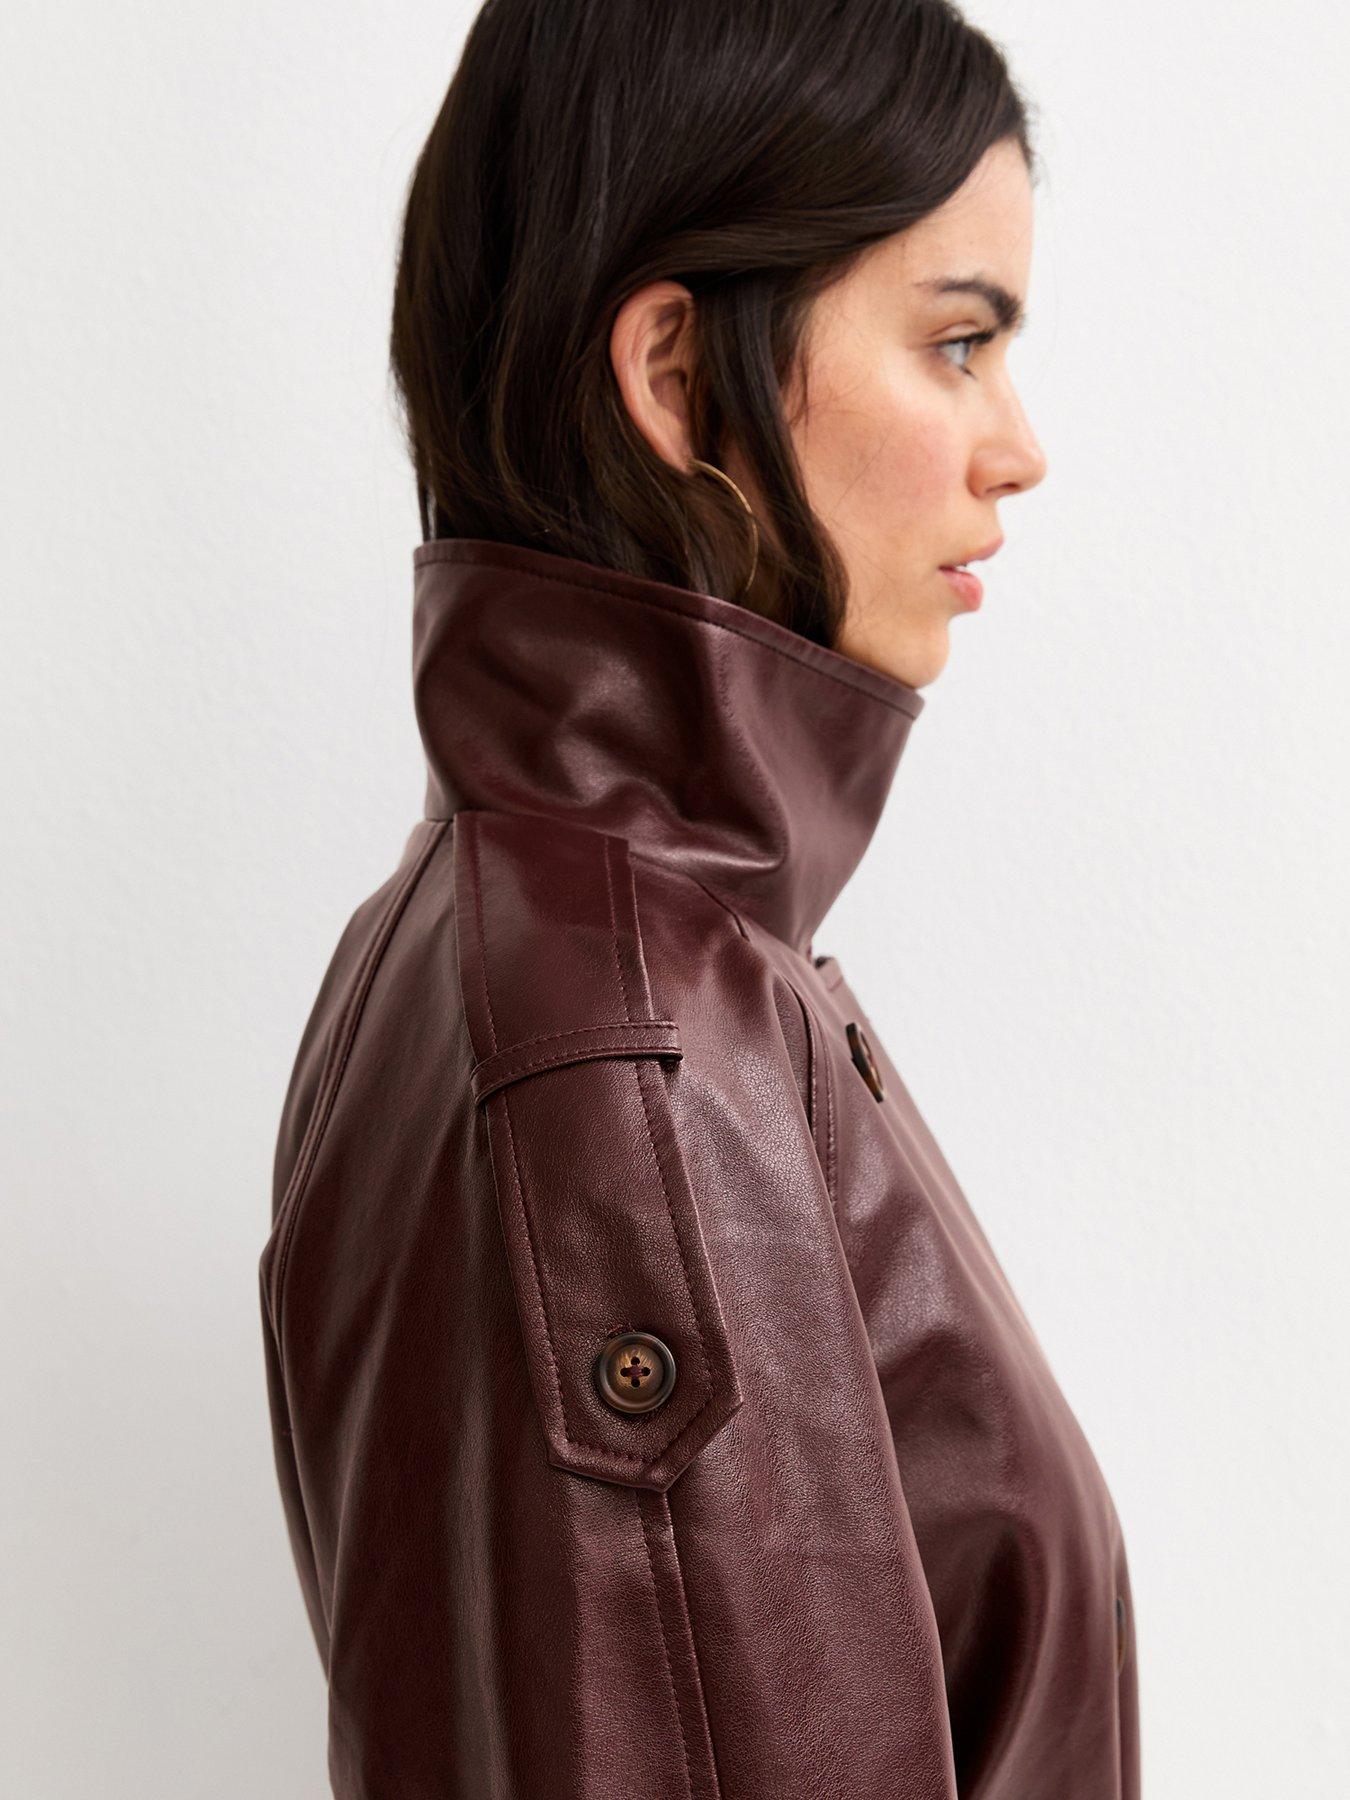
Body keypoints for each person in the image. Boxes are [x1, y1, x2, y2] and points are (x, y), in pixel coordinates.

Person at [258, 2, 1140, 1794]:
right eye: (955, 342)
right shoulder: (634, 1043)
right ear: (675, 377)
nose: (1016, 446)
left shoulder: (495, 945)